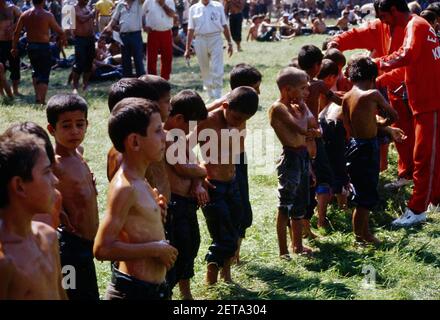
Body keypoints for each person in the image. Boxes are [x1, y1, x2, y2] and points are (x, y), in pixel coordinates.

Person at [94, 97, 178, 300]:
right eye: (158, 130)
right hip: (131, 293)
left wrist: (157, 214)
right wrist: (155, 249)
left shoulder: (140, 180)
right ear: (134, 141)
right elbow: (102, 248)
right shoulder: (125, 188)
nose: (165, 136)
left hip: (152, 290)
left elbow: (134, 229)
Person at [375, 0, 440, 226]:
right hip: (426, 104)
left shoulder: (415, 24)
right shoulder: (419, 25)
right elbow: (408, 67)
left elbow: (407, 55)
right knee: (432, 157)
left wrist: (376, 64)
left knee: (423, 158)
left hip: (429, 104)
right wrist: (382, 78)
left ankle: (417, 209)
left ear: (393, 10)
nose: (383, 22)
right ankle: (435, 199)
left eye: (383, 17)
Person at [189, 86, 259, 284]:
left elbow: (235, 153)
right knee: (222, 235)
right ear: (226, 106)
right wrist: (199, 179)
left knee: (235, 229)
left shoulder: (240, 120)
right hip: (213, 187)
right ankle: (211, 277)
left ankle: (225, 274)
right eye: (236, 118)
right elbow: (183, 150)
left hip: (233, 183)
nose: (239, 123)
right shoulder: (207, 121)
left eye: (244, 119)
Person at [205, 63, 262, 262]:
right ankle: (231, 255)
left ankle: (234, 254)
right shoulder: (224, 105)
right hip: (226, 164)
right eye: (256, 88)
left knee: (241, 210)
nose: (259, 92)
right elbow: (199, 116)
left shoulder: (243, 106)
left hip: (238, 159)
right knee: (235, 210)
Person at [0, 133, 67, 300]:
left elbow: (62, 295)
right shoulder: (5, 261)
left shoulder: (48, 236)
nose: (55, 180)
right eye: (47, 172)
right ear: (19, 186)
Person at [46, 94, 100, 300]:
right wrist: (56, 209)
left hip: (87, 244)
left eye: (80, 124)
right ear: (52, 129)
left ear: (87, 125)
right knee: (72, 294)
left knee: (88, 293)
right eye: (66, 126)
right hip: (69, 246)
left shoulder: (78, 152)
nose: (75, 131)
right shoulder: (52, 162)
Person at [342, 56, 397, 244]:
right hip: (367, 147)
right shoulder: (372, 94)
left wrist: (373, 124)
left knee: (361, 193)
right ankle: (360, 238)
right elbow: (393, 114)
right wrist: (384, 124)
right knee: (365, 197)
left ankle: (365, 234)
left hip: (354, 146)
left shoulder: (347, 96)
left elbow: (348, 125)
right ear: (373, 76)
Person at [164, 90, 208, 300]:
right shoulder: (166, 138)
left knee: (192, 244)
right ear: (179, 119)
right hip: (175, 204)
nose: (192, 132)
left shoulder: (180, 137)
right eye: (191, 126)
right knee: (178, 248)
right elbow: (183, 168)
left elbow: (194, 163)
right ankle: (170, 292)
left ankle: (186, 292)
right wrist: (203, 171)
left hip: (189, 202)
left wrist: (199, 184)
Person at [269, 67, 315, 258]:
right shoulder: (279, 108)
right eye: (303, 88)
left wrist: (304, 111)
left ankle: (297, 245)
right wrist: (304, 109)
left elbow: (312, 124)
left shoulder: (297, 107)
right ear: (287, 90)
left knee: (300, 206)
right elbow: (303, 128)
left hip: (302, 156)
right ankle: (282, 251)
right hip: (290, 158)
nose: (307, 93)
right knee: (285, 206)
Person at [297, 44, 341, 231]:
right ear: (317, 65)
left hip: (295, 137)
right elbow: (337, 99)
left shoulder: (292, 83)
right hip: (314, 136)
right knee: (323, 178)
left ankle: (305, 225)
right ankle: (321, 219)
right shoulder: (318, 85)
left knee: (304, 180)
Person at [11, 0, 66, 104]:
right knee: (44, 73)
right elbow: (59, 30)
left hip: (31, 47)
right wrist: (64, 39)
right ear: (43, 1)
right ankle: (42, 100)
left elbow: (16, 33)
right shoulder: (47, 15)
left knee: (35, 71)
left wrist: (14, 47)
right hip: (43, 46)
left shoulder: (25, 14)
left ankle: (38, 96)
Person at [185, 0, 234, 101]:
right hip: (200, 39)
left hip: (215, 37)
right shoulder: (193, 9)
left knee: (217, 66)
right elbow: (190, 29)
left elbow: (224, 25)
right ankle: (210, 94)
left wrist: (229, 42)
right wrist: (187, 48)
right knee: (204, 67)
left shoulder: (218, 6)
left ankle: (217, 94)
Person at [103, 0, 146, 77]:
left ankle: (141, 80)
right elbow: (114, 19)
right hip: (123, 36)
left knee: (138, 59)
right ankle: (127, 81)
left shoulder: (139, 2)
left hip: (136, 35)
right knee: (125, 60)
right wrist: (109, 26)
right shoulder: (120, 5)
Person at [142, 0, 176, 80]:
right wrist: (144, 26)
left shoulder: (169, 1)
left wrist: (163, 4)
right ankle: (152, 80)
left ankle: (165, 79)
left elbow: (172, 14)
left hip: (166, 32)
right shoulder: (148, 1)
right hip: (153, 33)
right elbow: (142, 15)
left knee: (167, 57)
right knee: (151, 58)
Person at [72, 0, 96, 93]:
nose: (87, 1)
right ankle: (75, 86)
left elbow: (92, 22)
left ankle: (85, 84)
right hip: (80, 39)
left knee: (89, 62)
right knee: (79, 63)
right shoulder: (74, 8)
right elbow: (81, 19)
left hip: (90, 38)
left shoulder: (88, 7)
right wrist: (92, 14)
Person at [0, 0, 21, 97]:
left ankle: (15, 90)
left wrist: (13, 26)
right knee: (1, 68)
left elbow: (22, 17)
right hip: (0, 43)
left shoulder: (12, 8)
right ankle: (1, 92)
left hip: (12, 42)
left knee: (15, 66)